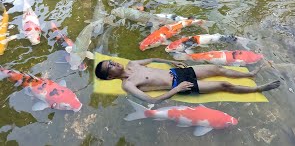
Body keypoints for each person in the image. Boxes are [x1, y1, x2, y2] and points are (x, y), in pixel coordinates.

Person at [95, 58, 280, 104]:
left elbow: (151, 60)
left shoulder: (133, 63)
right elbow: (152, 100)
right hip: (178, 85)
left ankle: (250, 75)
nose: (113, 63)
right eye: (110, 66)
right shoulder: (127, 85)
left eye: (111, 61)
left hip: (176, 71)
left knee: (216, 69)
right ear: (110, 76)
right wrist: (178, 89)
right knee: (224, 85)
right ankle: (258, 90)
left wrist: (170, 61)